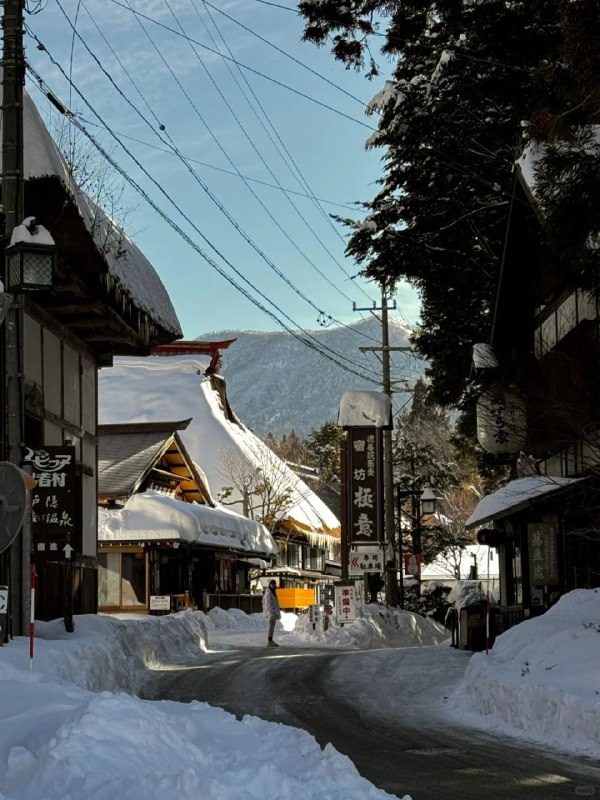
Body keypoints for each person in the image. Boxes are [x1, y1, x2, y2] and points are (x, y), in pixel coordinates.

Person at [262, 579, 281, 647]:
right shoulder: (269, 593)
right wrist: (271, 613)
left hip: (273, 612)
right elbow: (268, 604)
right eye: (272, 584)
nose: (274, 585)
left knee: (272, 627)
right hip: (271, 613)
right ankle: (269, 641)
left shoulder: (273, 592)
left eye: (274, 584)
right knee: (271, 627)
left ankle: (271, 640)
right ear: (269, 585)